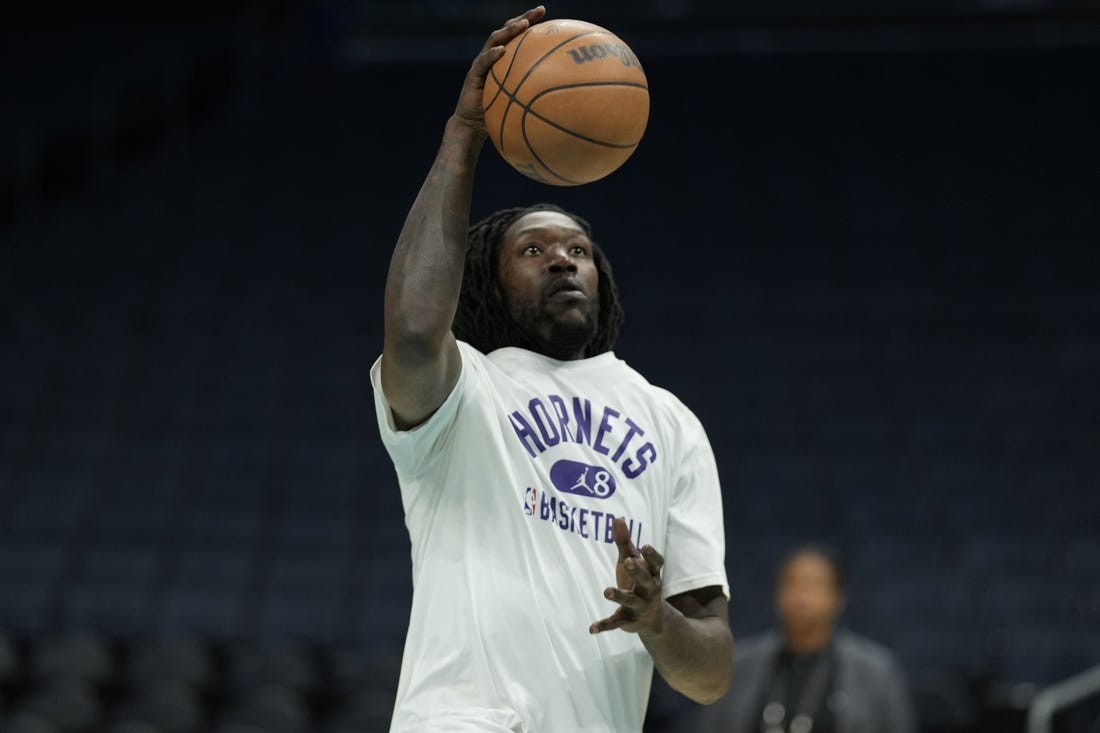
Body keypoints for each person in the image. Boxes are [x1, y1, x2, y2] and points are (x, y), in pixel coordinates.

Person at [369, 5, 732, 731]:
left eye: (578, 249)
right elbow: (411, 332)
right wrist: (465, 136)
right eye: (532, 250)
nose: (563, 257)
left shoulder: (670, 420)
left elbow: (712, 672)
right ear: (489, 282)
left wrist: (655, 617)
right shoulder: (466, 387)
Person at [699, 546, 915, 733]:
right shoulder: (739, 666)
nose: (800, 596)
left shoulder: (876, 671)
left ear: (839, 597)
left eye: (814, 585)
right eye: (791, 584)